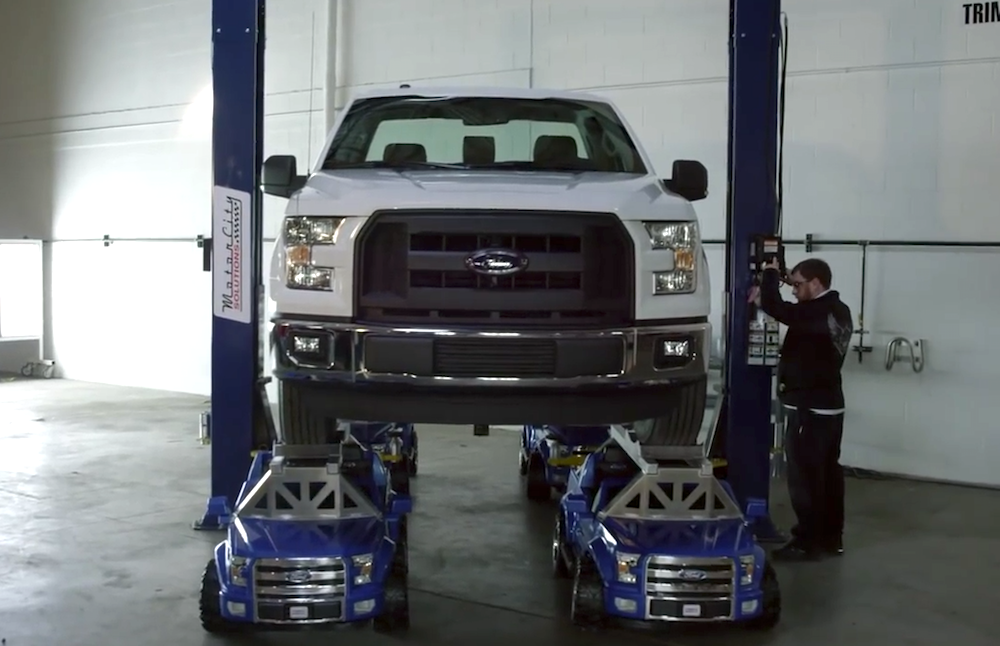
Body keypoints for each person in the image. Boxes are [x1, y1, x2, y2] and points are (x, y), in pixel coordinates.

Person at [748, 257, 853, 561]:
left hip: (810, 409)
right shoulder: (837, 310)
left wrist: (769, 275)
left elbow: (776, 307)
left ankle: (806, 541)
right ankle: (831, 539)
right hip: (829, 408)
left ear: (816, 283)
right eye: (791, 284)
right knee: (828, 476)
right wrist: (781, 280)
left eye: (797, 284)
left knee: (805, 479)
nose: (793, 290)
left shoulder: (817, 311)